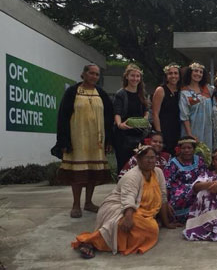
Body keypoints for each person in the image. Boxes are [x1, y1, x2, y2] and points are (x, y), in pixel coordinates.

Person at [71, 145, 174, 258]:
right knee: (146, 227)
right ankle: (91, 242)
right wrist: (128, 218)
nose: (151, 161)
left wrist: (167, 223)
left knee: (151, 228)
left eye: (153, 157)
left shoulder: (158, 172)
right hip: (119, 207)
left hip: (141, 211)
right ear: (138, 160)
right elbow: (128, 199)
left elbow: (163, 196)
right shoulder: (132, 176)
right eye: (147, 158)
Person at [52, 64, 113, 218]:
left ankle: (88, 202)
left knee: (92, 171)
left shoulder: (102, 94)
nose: (94, 76)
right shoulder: (72, 92)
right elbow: (63, 117)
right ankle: (76, 204)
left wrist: (109, 140)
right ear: (84, 74)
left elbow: (109, 118)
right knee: (77, 173)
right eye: (91, 73)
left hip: (96, 140)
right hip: (77, 139)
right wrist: (63, 141)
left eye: (97, 74)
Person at [113, 64, 150, 173]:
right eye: (132, 76)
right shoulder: (121, 94)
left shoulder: (142, 94)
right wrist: (120, 125)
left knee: (138, 165)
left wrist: (145, 119)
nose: (135, 78)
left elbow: (146, 110)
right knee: (124, 165)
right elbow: (117, 112)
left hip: (139, 134)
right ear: (127, 77)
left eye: (137, 76)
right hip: (124, 136)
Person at [163, 136, 208, 223]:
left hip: (198, 188)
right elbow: (166, 183)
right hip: (179, 195)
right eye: (183, 148)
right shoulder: (172, 163)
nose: (187, 150)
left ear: (194, 149)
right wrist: (166, 203)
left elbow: (205, 176)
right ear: (179, 149)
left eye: (189, 148)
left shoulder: (200, 160)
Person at [179, 62, 214, 149]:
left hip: (207, 128)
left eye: (200, 72)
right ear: (190, 73)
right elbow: (184, 116)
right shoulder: (184, 92)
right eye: (195, 71)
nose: (198, 74)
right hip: (192, 128)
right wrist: (190, 134)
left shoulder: (208, 89)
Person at [152, 63, 182, 154]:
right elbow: (155, 113)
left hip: (178, 129)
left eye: (176, 73)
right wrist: (159, 133)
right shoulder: (161, 90)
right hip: (164, 128)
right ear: (166, 76)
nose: (173, 76)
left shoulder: (181, 91)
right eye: (170, 73)